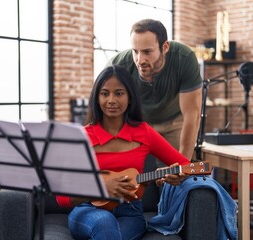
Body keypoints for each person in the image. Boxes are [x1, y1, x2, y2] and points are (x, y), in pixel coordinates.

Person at [56, 64, 190, 240]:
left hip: (130, 213)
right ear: (97, 98)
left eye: (119, 93)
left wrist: (178, 176)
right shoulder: (82, 137)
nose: (111, 100)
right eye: (105, 93)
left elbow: (185, 165)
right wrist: (99, 189)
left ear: (130, 98)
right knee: (104, 222)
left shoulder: (144, 132)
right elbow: (61, 197)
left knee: (108, 232)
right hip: (88, 210)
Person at [107, 19, 202, 161]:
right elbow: (106, 113)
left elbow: (192, 115)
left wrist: (183, 166)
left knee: (176, 173)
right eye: (135, 51)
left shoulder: (184, 58)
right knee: (131, 174)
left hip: (175, 122)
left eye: (147, 52)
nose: (140, 60)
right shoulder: (118, 65)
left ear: (165, 47)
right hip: (139, 123)